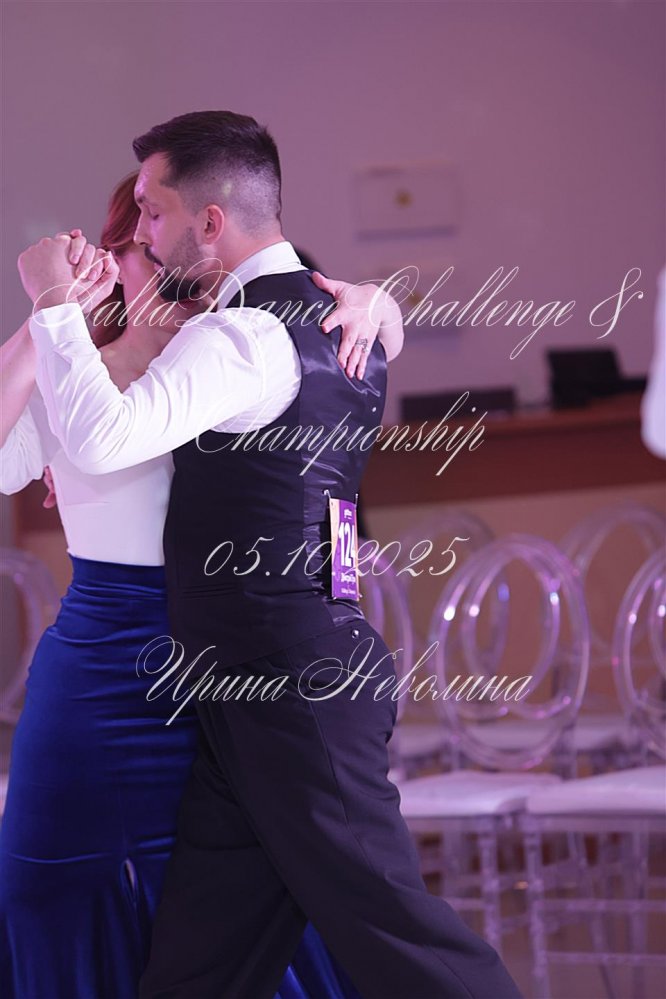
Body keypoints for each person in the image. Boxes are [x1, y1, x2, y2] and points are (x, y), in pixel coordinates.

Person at [19, 109, 522, 999]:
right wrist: (381, 300)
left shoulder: (238, 337)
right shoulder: (317, 320)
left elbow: (110, 436)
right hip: (235, 676)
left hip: (279, 676)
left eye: (154, 213)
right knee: (201, 960)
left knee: (390, 931)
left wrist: (55, 306)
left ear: (208, 222)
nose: (144, 237)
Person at [0, 170, 404, 999]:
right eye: (143, 245)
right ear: (112, 255)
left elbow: (345, 344)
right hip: (96, 671)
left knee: (236, 904)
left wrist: (378, 300)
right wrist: (46, 317)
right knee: (50, 885)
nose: (166, 268)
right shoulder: (77, 367)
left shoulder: (243, 357)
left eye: (173, 246)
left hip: (224, 665)